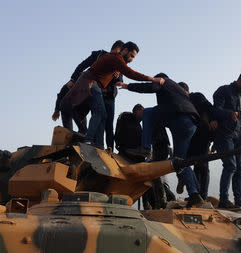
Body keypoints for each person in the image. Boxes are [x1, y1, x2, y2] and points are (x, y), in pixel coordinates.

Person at [118, 73, 203, 207]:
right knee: (180, 162)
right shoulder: (178, 89)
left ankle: (145, 148)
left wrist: (128, 86)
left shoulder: (165, 81)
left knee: (147, 113)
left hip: (179, 117)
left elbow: (150, 87)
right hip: (190, 124)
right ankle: (195, 194)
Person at [62, 41, 164, 148]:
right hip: (91, 83)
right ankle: (88, 140)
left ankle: (98, 144)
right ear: (124, 50)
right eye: (131, 56)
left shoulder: (115, 61)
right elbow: (131, 73)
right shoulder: (116, 59)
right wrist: (152, 79)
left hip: (94, 85)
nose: (131, 60)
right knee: (100, 112)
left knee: (102, 115)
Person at [52, 40, 124, 138]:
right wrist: (73, 79)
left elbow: (118, 83)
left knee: (93, 120)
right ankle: (73, 135)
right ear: (118, 49)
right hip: (83, 92)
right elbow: (81, 67)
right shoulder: (99, 56)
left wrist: (117, 76)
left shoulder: (118, 65)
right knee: (67, 107)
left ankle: (84, 134)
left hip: (97, 96)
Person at [213, 70, 241, 209]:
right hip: (224, 134)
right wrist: (229, 114)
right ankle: (223, 200)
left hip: (239, 136)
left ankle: (239, 200)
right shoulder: (223, 90)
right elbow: (215, 110)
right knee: (230, 166)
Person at [178, 82, 218, 200]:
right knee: (184, 163)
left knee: (202, 166)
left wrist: (213, 121)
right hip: (190, 138)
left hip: (203, 136)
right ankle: (194, 192)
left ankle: (202, 195)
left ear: (186, 91)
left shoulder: (196, 97)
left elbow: (210, 108)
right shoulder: (180, 103)